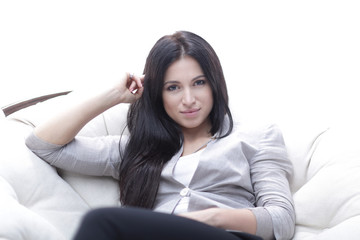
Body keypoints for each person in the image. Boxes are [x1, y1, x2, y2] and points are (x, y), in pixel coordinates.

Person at [25, 31, 295, 240]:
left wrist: (212, 218)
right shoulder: (137, 149)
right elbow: (44, 145)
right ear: (158, 94)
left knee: (101, 222)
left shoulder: (256, 137)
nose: (189, 99)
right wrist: (113, 96)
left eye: (199, 83)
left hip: (221, 236)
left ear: (215, 84)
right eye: (173, 87)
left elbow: (281, 218)